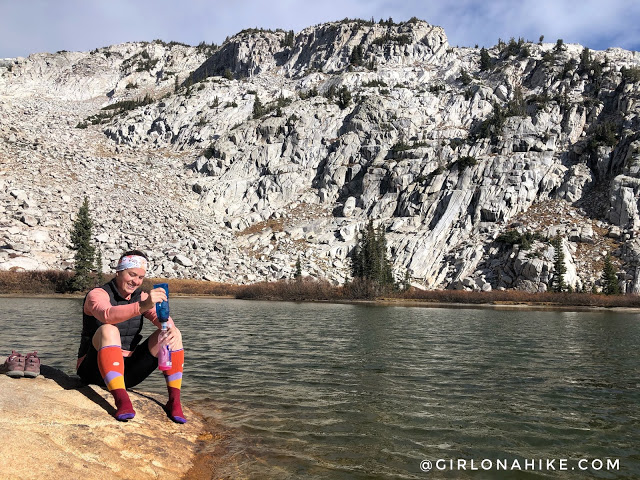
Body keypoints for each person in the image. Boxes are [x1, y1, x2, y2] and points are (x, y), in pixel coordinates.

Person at [76, 250, 186, 423]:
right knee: (109, 330)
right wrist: (143, 305)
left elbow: (161, 320)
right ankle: (122, 400)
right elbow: (107, 314)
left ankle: (174, 401)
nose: (136, 281)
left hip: (128, 373)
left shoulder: (142, 297)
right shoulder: (97, 295)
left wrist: (171, 328)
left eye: (141, 277)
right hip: (92, 370)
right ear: (119, 271)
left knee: (170, 333)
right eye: (132, 274)